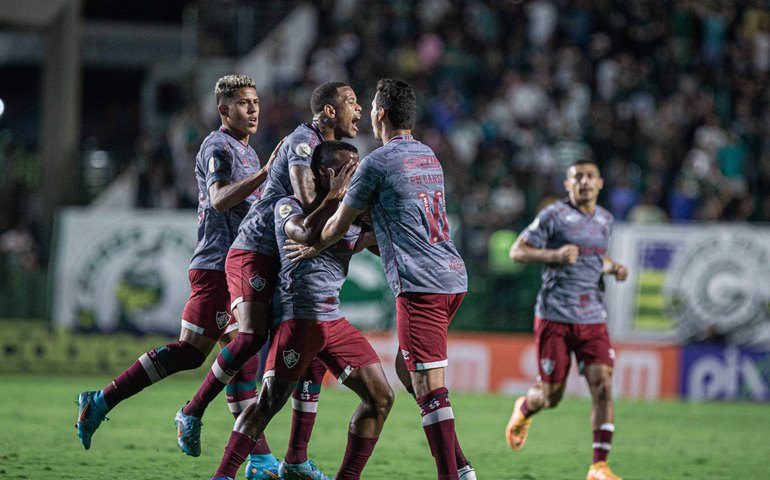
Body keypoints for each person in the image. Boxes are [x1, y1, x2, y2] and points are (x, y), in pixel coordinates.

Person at [75, 74, 284, 478]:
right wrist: (265, 174)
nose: (253, 109)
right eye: (244, 103)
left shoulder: (247, 151)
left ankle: (259, 459)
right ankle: (101, 401)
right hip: (217, 264)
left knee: (241, 360)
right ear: (224, 109)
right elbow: (219, 199)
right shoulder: (217, 145)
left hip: (237, 263)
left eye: (256, 102)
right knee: (192, 352)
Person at [175, 82, 362, 479]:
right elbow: (309, 204)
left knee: (310, 351)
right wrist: (349, 206)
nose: (359, 110)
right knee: (251, 337)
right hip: (256, 249)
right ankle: (193, 410)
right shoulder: (302, 142)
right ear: (329, 111)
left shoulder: (327, 149)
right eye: (351, 102)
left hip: (281, 257)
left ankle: (293, 459)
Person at [290, 79, 475, 480]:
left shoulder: (376, 162)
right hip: (453, 277)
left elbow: (336, 226)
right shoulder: (427, 156)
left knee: (429, 389)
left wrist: (311, 245)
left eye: (370, 106)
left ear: (381, 114)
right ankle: (461, 467)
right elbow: (402, 222)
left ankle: (455, 474)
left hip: (421, 287)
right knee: (408, 372)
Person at [211, 141, 393, 480]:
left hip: (332, 321)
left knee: (381, 397)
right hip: (299, 319)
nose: (355, 174)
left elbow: (379, 245)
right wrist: (335, 199)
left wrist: (377, 214)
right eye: (347, 169)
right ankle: (222, 475)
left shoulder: (350, 212)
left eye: (357, 168)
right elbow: (306, 233)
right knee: (269, 403)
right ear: (325, 173)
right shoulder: (287, 205)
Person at [506, 159, 629, 480]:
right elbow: (517, 251)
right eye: (578, 177)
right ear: (567, 185)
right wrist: (554, 255)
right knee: (551, 397)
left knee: (603, 386)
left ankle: (599, 466)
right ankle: (525, 408)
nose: (585, 182)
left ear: (600, 183)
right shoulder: (553, 216)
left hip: (593, 317)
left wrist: (612, 267)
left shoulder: (605, 219)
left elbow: (595, 256)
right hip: (555, 317)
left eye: (590, 177)